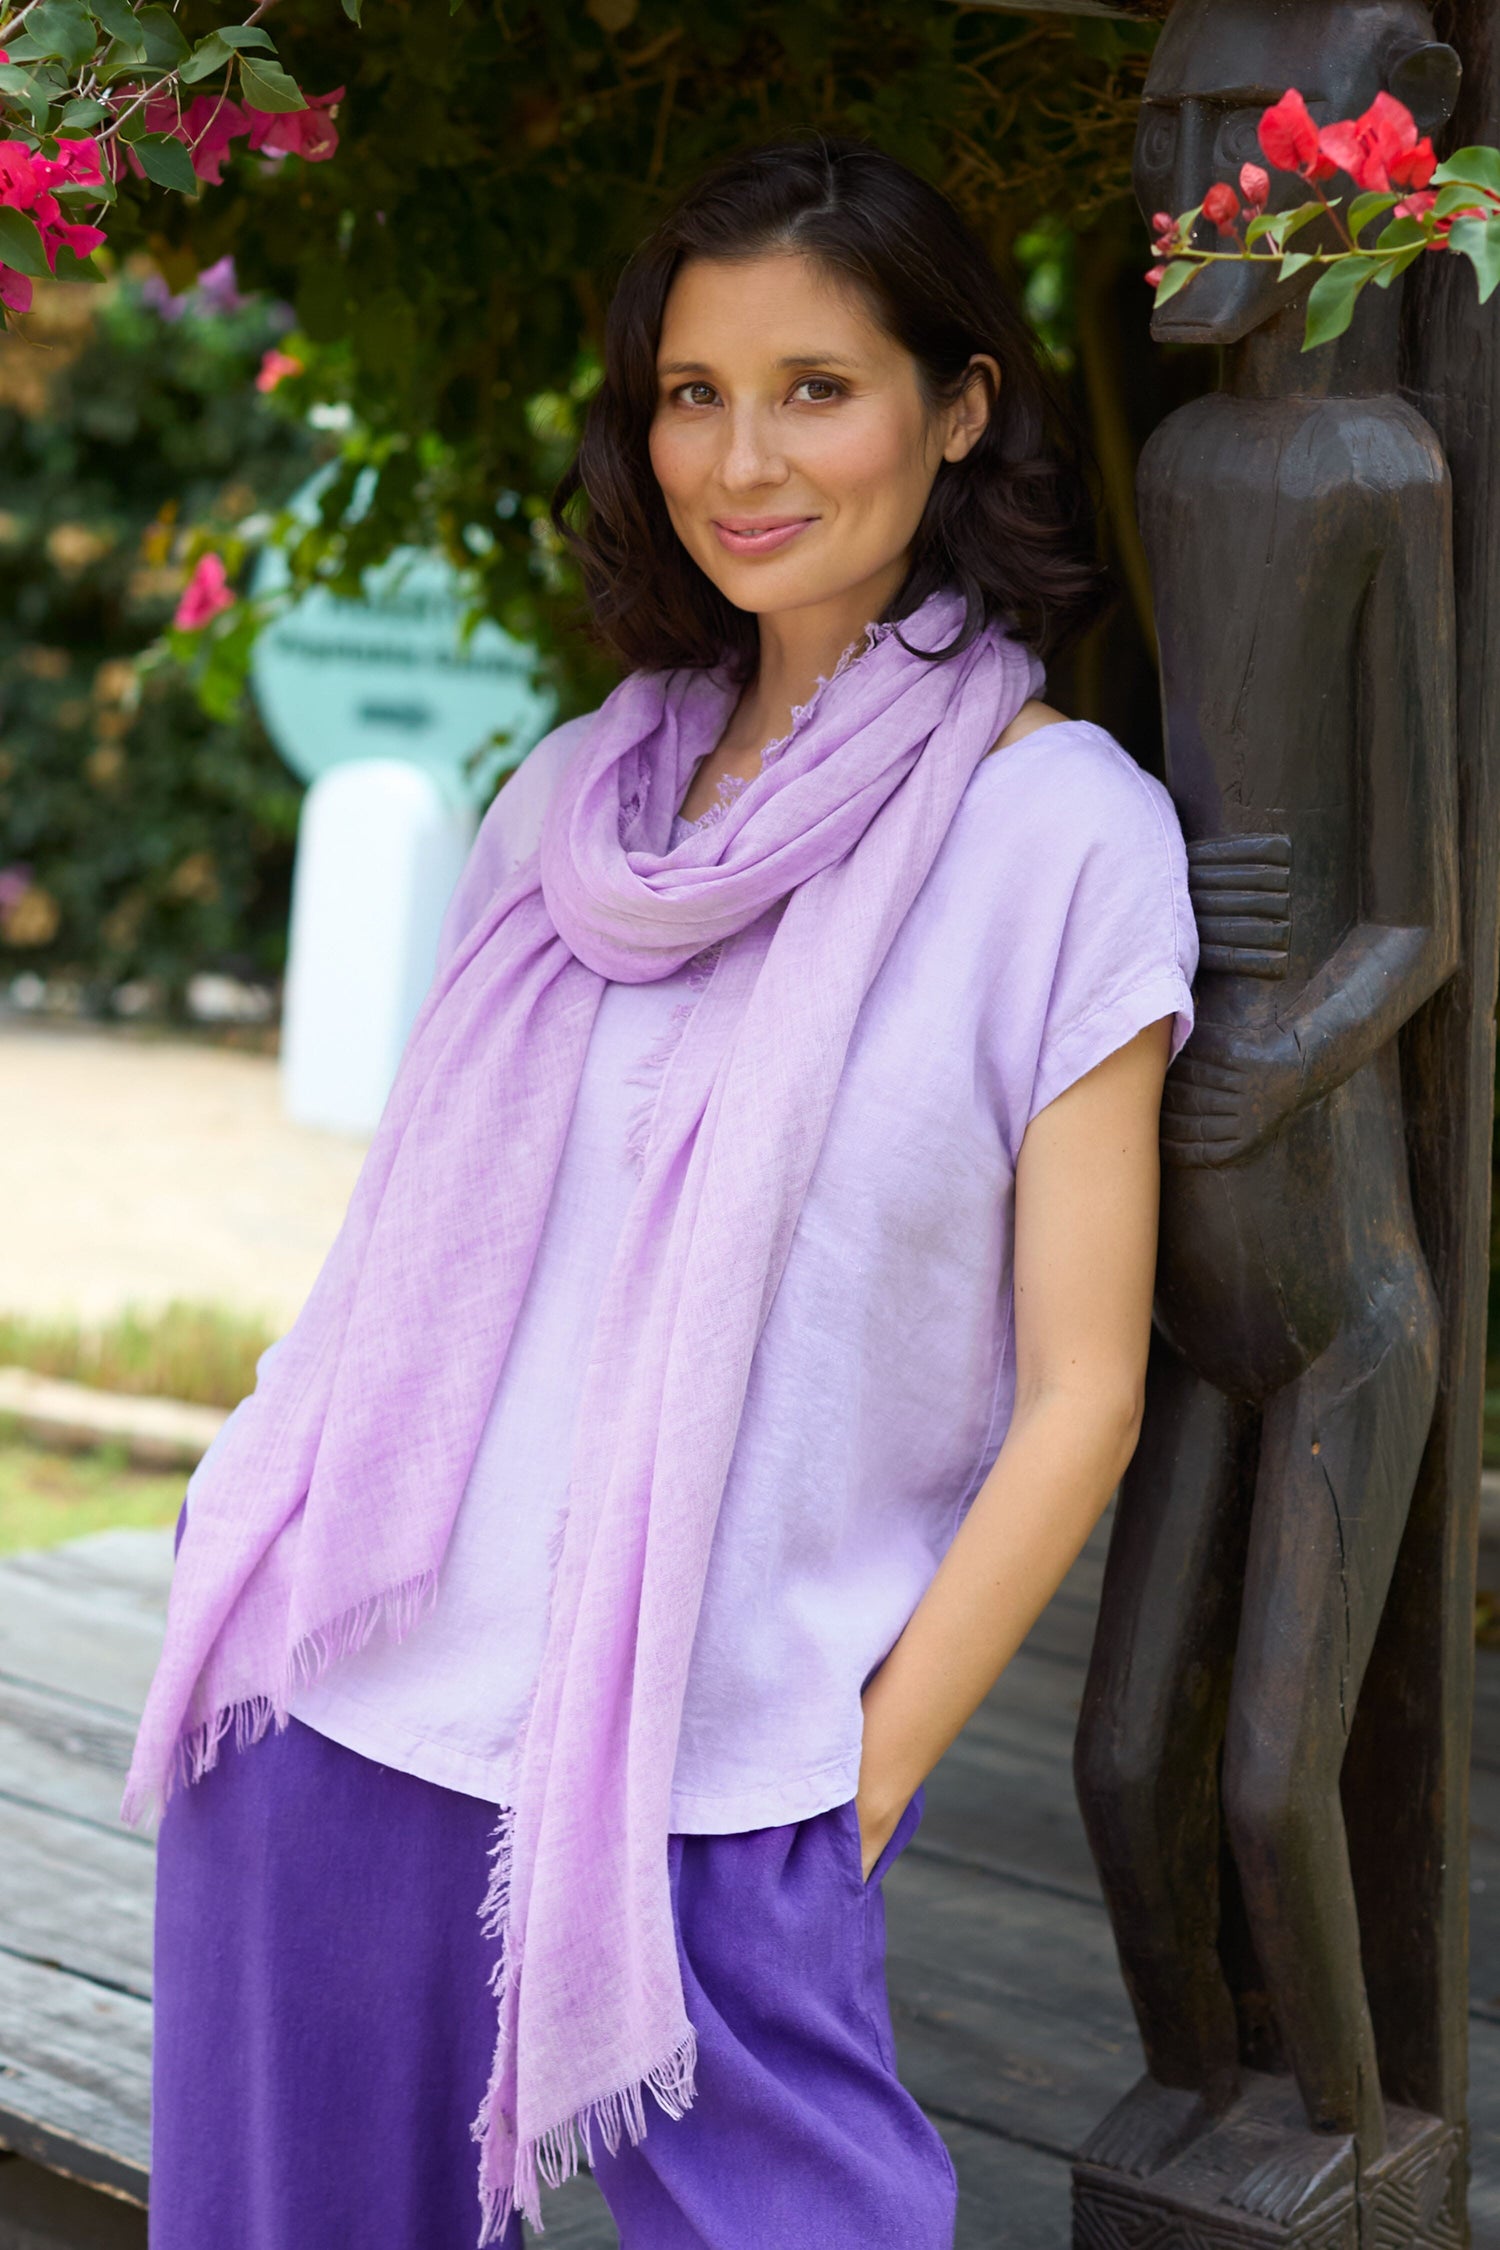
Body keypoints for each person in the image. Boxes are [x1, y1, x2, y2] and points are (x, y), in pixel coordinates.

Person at [134, 137, 1196, 2250]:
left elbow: (1087, 1386)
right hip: (347, 1708)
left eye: (818, 385)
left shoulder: (1063, 836)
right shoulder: (578, 793)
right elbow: (411, 1259)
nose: (742, 454)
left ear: (961, 405)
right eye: (693, 392)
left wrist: (863, 1771)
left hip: (726, 1783)